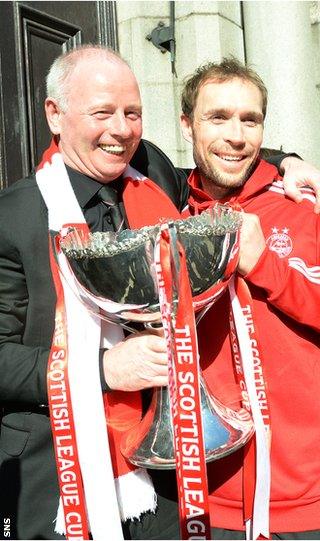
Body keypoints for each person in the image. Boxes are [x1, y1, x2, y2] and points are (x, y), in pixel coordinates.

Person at [0, 44, 318, 541]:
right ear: (54, 115)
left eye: (133, 113)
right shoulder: (13, 215)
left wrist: (290, 161)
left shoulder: (154, 177)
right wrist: (103, 370)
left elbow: (227, 149)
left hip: (171, 478)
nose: (121, 129)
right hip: (55, 475)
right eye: (101, 112)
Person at [176, 57, 320, 539]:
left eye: (250, 119)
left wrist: (264, 264)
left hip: (304, 502)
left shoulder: (303, 208)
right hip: (207, 497)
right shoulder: (168, 211)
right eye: (217, 117)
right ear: (186, 124)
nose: (236, 135)